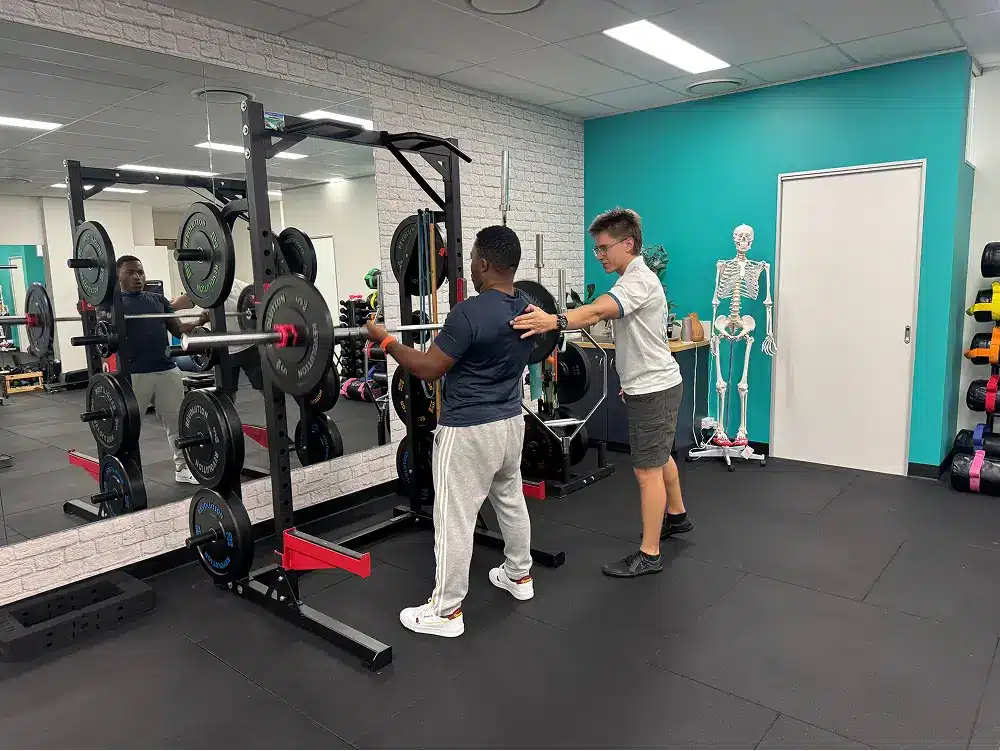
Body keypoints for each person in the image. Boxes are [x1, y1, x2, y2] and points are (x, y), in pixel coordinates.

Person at [364, 225, 536, 638]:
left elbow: (427, 368)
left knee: (453, 517)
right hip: (512, 423)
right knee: (510, 500)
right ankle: (519, 576)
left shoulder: (468, 312)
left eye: (472, 259)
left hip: (468, 430)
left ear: (483, 262)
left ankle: (446, 611)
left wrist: (385, 340)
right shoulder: (530, 307)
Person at [512, 208, 692, 578]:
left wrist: (552, 321)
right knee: (660, 457)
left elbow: (595, 313)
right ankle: (676, 516)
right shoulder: (636, 277)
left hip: (654, 388)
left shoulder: (636, 281)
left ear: (629, 243)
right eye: (596, 249)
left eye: (604, 248)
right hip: (656, 384)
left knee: (646, 470)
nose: (600, 255)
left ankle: (650, 553)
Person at [116, 256, 205, 485]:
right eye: (130, 273)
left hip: (167, 370)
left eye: (141, 272)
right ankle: (125, 477)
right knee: (128, 429)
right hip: (135, 374)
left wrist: (200, 321)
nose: (138, 277)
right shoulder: (113, 304)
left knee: (178, 425)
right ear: (118, 277)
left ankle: (183, 468)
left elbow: (178, 329)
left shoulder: (158, 300)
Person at [171, 278, 264, 396]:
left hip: (249, 347)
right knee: (226, 394)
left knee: (264, 386)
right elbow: (190, 298)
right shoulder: (207, 289)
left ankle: (275, 411)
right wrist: (167, 305)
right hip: (223, 350)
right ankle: (226, 415)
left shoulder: (242, 288)